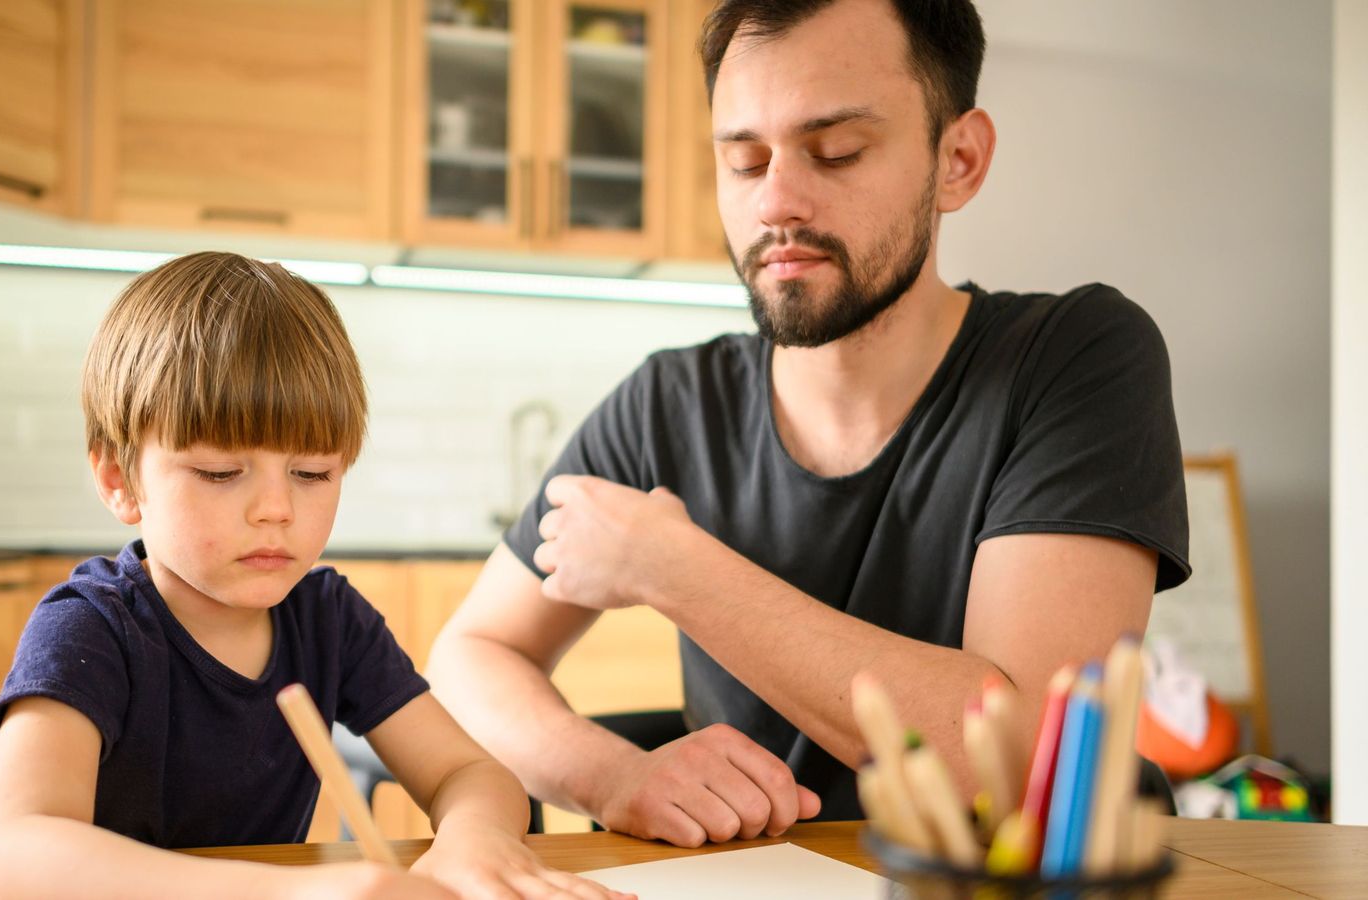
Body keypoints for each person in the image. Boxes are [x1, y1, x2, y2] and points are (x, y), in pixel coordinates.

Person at [427, 0, 1189, 849]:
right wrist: (613, 776)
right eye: (745, 162)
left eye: (837, 152)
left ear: (959, 160)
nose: (777, 202)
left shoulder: (1074, 358)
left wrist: (674, 569)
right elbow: (469, 656)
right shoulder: (666, 405)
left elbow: (1016, 767)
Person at [0, 252, 624, 900]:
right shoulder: (90, 628)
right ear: (121, 481)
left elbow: (470, 771)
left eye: (312, 473)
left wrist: (472, 840)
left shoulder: (328, 620)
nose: (277, 510)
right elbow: (10, 857)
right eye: (221, 473)